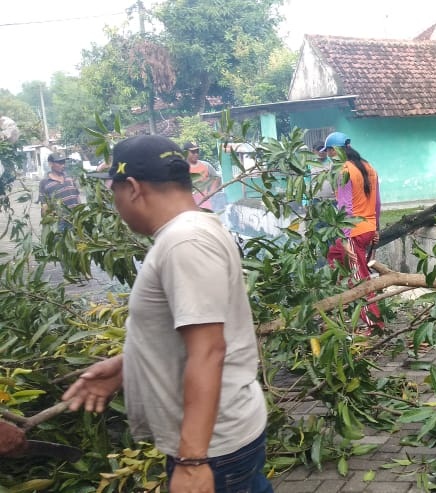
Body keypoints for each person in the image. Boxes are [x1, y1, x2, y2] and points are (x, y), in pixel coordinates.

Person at [63, 135, 270, 493]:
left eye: (113, 191)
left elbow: (208, 350)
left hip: (212, 449)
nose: (115, 203)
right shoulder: (195, 229)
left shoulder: (184, 242)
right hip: (219, 441)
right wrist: (127, 366)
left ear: (132, 188)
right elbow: (194, 333)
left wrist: (192, 462)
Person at [323, 131, 383, 333]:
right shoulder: (369, 167)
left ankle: (374, 325)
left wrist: (346, 238)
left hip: (353, 232)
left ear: (334, 150)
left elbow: (345, 207)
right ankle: (344, 300)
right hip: (367, 228)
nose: (328, 156)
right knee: (334, 255)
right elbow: (377, 202)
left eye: (329, 152)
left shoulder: (343, 171)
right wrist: (376, 228)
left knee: (360, 280)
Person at [38, 152, 80, 232]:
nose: (63, 165)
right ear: (50, 164)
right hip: (60, 223)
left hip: (76, 219)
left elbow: (77, 196)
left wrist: (80, 213)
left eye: (63, 162)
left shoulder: (70, 177)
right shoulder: (44, 182)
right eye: (59, 163)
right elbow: (44, 205)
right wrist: (47, 225)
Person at [184, 142, 222, 210]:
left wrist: (211, 192)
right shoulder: (181, 168)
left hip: (205, 204)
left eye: (197, 151)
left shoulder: (206, 165)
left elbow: (216, 178)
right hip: (187, 206)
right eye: (193, 152)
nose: (196, 154)